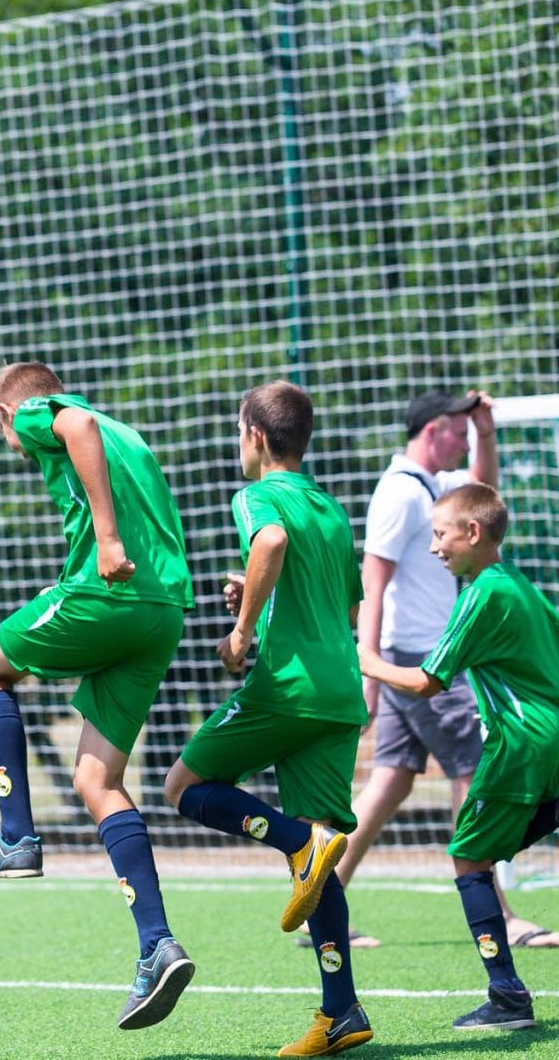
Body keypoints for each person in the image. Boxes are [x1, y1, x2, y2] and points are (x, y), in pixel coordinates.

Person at [0, 361, 196, 1030]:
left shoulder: (44, 413)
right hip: (161, 611)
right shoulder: (133, 436)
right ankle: (157, 945)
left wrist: (107, 541)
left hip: (112, 591)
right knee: (98, 779)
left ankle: (16, 837)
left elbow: (76, 423)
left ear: (7, 417)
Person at [356, 484, 559, 1032]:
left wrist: (367, 660)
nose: (433, 549)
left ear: (473, 533)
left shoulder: (477, 595)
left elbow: (428, 682)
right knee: (486, 849)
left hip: (516, 743)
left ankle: (508, 998)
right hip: (556, 738)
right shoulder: (520, 584)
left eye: (440, 535)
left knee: (467, 857)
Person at [163, 381, 372, 1057]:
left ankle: (292, 840)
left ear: (254, 434)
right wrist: (256, 590)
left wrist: (243, 631)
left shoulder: (257, 497)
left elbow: (273, 541)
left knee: (184, 787)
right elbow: (340, 610)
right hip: (340, 692)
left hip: (288, 687)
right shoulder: (333, 510)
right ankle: (341, 1012)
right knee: (321, 862)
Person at [337, 388, 559, 949]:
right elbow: (374, 580)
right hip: (417, 658)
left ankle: (322, 897)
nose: (464, 443)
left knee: (390, 782)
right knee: (477, 769)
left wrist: (486, 432)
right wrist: (368, 673)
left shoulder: (431, 489)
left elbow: (481, 499)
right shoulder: (400, 493)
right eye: (460, 433)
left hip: (413, 655)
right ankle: (502, 914)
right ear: (434, 430)